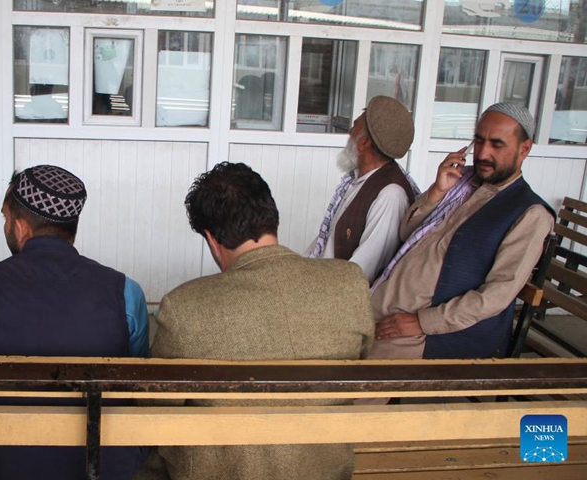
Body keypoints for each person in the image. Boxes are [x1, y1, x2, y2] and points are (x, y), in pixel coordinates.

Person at [136, 162, 374, 480]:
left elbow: (155, 407)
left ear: (211, 239)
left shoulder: (185, 307)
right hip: (325, 468)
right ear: (271, 217)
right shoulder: (349, 282)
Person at [0, 165, 149, 480]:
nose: (5, 226)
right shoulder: (124, 291)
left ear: (20, 228)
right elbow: (137, 377)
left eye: (5, 218)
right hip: (100, 464)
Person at [369, 103, 555, 360]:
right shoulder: (462, 182)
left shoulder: (530, 214)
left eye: (496, 144)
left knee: (352, 387)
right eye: (478, 141)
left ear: (524, 149)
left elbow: (495, 297)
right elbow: (406, 232)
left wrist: (421, 322)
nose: (483, 153)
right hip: (383, 300)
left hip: (428, 332)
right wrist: (437, 191)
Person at [307, 95, 419, 284]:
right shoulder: (359, 180)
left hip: (339, 300)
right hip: (321, 284)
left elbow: (362, 271)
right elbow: (324, 243)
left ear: (364, 142)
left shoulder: (391, 195)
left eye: (354, 127)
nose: (349, 132)